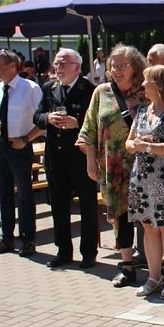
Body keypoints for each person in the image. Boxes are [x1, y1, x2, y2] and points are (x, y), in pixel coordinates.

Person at [77, 44, 149, 288]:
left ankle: (156, 266)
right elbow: (88, 129)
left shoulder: (147, 91)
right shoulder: (101, 92)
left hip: (145, 165)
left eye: (123, 66)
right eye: (113, 66)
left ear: (135, 67)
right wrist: (90, 162)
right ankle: (127, 267)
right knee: (121, 216)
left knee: (149, 217)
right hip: (113, 167)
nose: (117, 70)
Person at [33, 49, 99, 270]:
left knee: (87, 205)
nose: (59, 67)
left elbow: (98, 123)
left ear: (77, 67)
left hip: (80, 157)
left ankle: (89, 253)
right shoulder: (49, 88)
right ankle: (63, 251)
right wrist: (48, 118)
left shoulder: (89, 89)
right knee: (59, 206)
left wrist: (77, 123)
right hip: (55, 156)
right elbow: (37, 116)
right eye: (56, 62)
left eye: (64, 63)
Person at [126, 65, 164, 299]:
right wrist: (135, 145)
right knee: (148, 227)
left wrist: (147, 145)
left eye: (146, 81)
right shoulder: (142, 111)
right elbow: (129, 143)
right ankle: (153, 277)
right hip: (141, 177)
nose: (142, 85)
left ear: (159, 85)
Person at [0, 50, 44, 257]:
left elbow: (43, 121)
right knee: (4, 193)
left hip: (19, 147)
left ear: (12, 66)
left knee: (25, 195)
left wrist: (26, 139)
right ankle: (6, 237)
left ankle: (28, 239)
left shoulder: (30, 89)